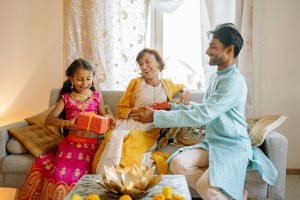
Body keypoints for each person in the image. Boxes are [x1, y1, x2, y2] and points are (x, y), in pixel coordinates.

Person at [130, 23, 278, 200]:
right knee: (178, 164)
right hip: (213, 143)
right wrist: (170, 106)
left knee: (205, 188)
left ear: (229, 50)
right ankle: (236, 194)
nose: (207, 51)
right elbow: (203, 108)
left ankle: (231, 194)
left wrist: (155, 116)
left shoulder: (233, 82)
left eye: (213, 46)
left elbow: (202, 115)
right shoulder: (217, 76)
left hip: (232, 146)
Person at [19, 58, 112, 200]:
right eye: (80, 79)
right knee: (59, 174)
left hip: (91, 146)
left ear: (93, 78)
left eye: (88, 79)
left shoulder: (97, 96)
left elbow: (104, 116)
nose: (85, 83)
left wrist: (109, 119)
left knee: (83, 173)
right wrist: (68, 123)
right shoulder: (66, 98)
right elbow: (49, 120)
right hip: (71, 144)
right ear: (71, 79)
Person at [92, 48, 185, 174]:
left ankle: (126, 180)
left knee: (130, 143)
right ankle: (108, 179)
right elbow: (120, 109)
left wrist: (184, 96)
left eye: (147, 62)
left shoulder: (168, 85)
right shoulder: (136, 83)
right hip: (129, 124)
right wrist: (133, 112)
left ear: (158, 62)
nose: (144, 67)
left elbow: (182, 88)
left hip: (150, 129)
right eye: (141, 64)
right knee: (116, 137)